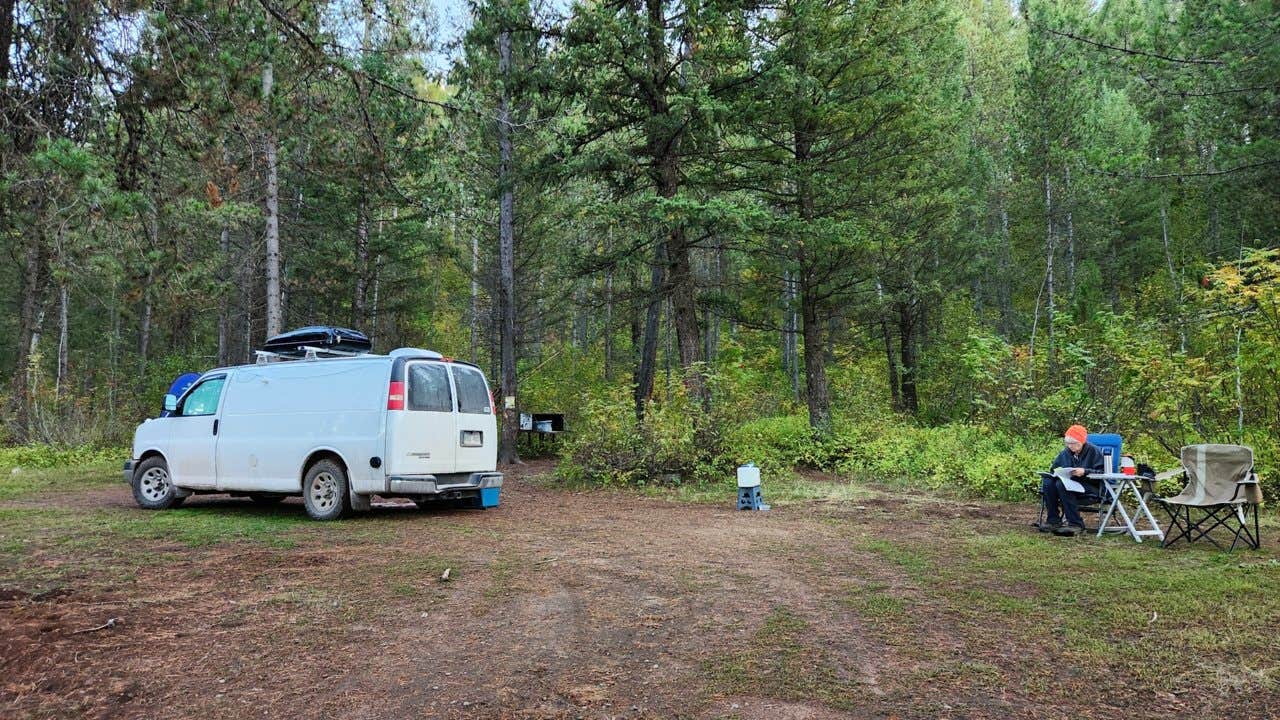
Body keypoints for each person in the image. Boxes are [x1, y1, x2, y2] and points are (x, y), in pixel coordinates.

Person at [1038, 424, 1105, 537]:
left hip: (1090, 486)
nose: (1070, 446)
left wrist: (1084, 471)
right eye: (1068, 443)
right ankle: (1053, 521)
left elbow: (1103, 473)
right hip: (1069, 483)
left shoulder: (1094, 452)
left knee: (1062, 484)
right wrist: (1057, 473)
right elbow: (1054, 469)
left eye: (1073, 443)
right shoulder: (1066, 452)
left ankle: (1076, 524)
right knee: (1048, 482)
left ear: (1081, 441)